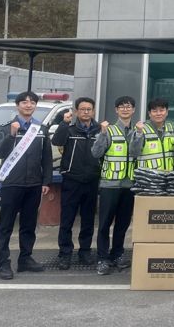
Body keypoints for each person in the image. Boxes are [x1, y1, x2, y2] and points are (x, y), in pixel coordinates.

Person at [0, 91, 53, 280]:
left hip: (34, 184)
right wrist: (11, 134)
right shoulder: (6, 127)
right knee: (6, 225)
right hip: (11, 183)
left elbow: (47, 158)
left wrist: (46, 181)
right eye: (24, 102)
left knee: (28, 224)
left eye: (32, 102)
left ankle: (25, 258)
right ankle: (3, 262)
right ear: (17, 106)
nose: (28, 105)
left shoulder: (40, 129)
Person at [52, 96, 101, 270]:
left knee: (88, 219)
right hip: (71, 180)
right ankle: (65, 253)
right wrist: (64, 123)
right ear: (77, 111)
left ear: (93, 111)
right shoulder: (70, 129)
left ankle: (85, 251)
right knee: (67, 219)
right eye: (82, 109)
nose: (86, 112)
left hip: (92, 180)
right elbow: (56, 141)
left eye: (89, 109)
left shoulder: (99, 130)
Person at [91, 95, 137, 276]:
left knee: (122, 223)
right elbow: (95, 153)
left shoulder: (137, 131)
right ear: (116, 110)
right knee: (104, 224)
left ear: (133, 110)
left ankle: (117, 253)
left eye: (129, 106)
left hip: (129, 185)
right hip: (110, 184)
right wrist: (102, 134)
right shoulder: (108, 130)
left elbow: (136, 153)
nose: (125, 109)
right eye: (121, 107)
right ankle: (102, 258)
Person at [130, 98, 174, 173]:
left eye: (161, 110)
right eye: (154, 111)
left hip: (168, 177)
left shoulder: (172, 129)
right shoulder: (141, 129)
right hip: (147, 179)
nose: (158, 114)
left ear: (167, 112)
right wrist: (139, 133)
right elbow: (134, 153)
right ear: (149, 113)